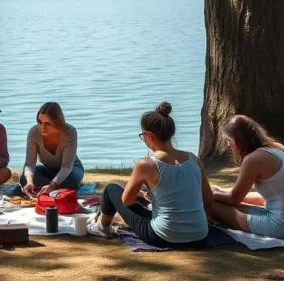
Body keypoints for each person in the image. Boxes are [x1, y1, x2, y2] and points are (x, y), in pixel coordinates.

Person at [87, 102, 212, 248]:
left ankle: (103, 227)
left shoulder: (146, 164)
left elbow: (126, 201)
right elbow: (208, 198)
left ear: (150, 136)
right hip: (200, 235)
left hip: (164, 236)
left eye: (142, 135)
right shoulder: (194, 159)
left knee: (111, 190)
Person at [207, 115, 284, 239]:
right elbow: (262, 197)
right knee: (219, 198)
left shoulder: (253, 159)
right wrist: (220, 191)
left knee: (209, 205)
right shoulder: (277, 147)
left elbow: (234, 199)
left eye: (228, 140)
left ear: (238, 140)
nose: (227, 145)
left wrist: (211, 193)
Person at [21, 102, 84, 195]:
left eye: (47, 123)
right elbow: (29, 164)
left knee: (70, 181)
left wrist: (52, 185)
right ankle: (52, 184)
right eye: (40, 122)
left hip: (71, 169)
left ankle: (54, 184)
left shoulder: (70, 132)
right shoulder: (33, 133)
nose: (42, 127)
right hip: (48, 169)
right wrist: (30, 182)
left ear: (57, 122)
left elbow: (67, 166)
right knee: (24, 179)